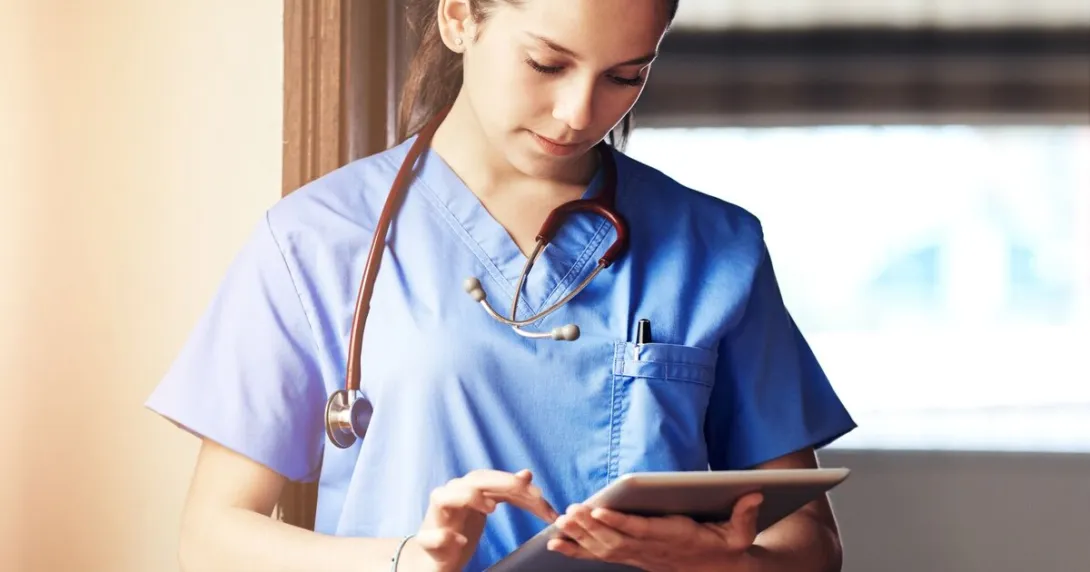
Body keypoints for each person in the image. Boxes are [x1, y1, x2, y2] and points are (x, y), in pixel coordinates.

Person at [145, 0, 858, 570]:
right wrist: (403, 561)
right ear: (459, 17)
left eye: (625, 76)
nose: (581, 112)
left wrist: (718, 567)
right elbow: (211, 539)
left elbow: (810, 544)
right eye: (547, 63)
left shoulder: (714, 248)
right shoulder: (316, 240)